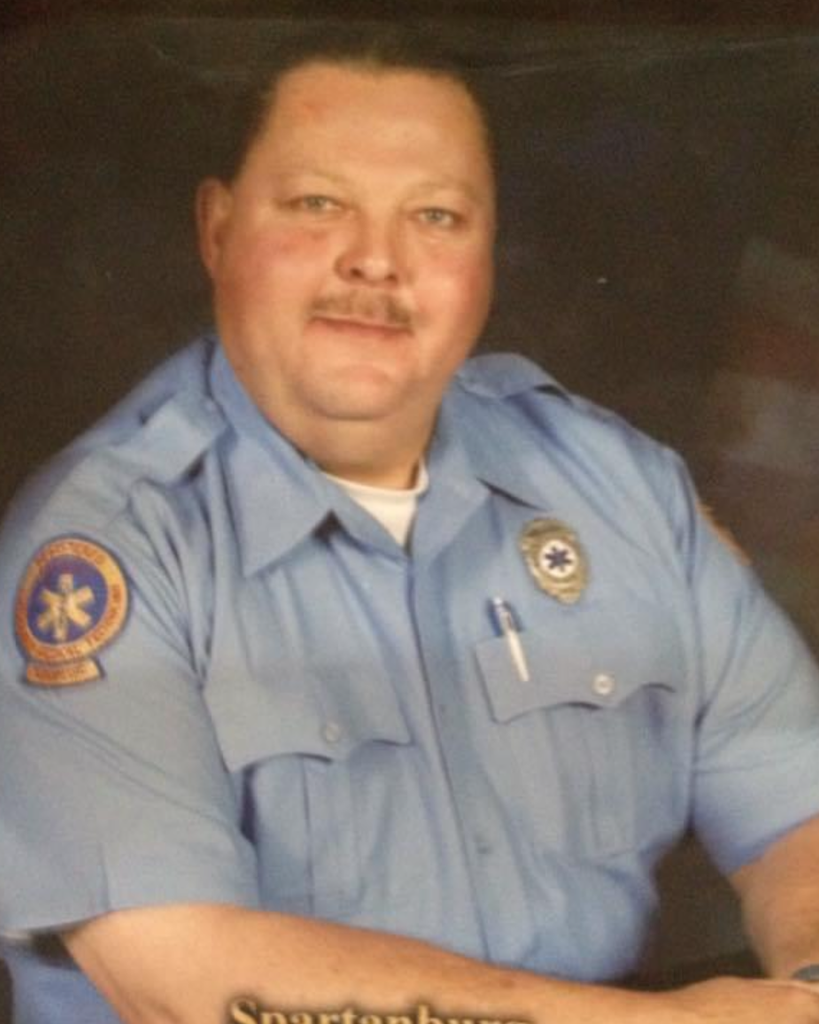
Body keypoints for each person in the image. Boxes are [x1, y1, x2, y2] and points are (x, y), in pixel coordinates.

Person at [2, 25, 819, 1024]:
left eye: (435, 216)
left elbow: (797, 810)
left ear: (488, 252)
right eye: (318, 204)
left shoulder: (617, 486)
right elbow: (184, 979)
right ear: (217, 230)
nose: (375, 262)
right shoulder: (103, 550)